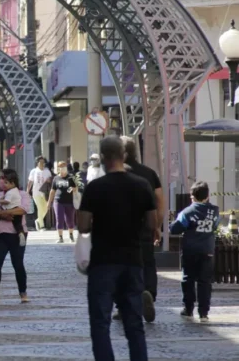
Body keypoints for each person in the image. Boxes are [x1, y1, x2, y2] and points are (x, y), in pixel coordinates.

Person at [77, 136, 156, 361]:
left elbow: (82, 226)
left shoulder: (95, 187)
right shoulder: (142, 185)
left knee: (100, 323)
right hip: (133, 260)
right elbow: (152, 224)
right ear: (124, 156)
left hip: (103, 262)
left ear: (102, 158)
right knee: (134, 324)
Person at [118, 136, 165, 323]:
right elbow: (160, 200)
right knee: (147, 262)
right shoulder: (149, 173)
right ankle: (149, 293)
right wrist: (158, 226)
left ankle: (124, 305)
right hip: (145, 226)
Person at [170, 181, 218, 322]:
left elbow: (175, 228)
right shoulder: (214, 211)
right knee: (205, 282)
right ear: (207, 195)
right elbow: (215, 226)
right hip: (207, 250)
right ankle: (204, 312)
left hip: (190, 250)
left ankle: (188, 309)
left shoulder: (187, 212)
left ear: (192, 196)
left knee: (188, 279)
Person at [0, 169, 30, 304]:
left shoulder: (22, 194)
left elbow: (23, 209)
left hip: (18, 234)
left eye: (4, 179)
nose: (1, 181)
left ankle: (23, 292)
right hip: (0, 234)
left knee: (18, 264)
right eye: (0, 178)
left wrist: (5, 212)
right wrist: (3, 214)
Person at [47, 161, 77, 243]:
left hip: (69, 202)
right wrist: (49, 202)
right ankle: (60, 237)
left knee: (69, 220)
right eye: (60, 167)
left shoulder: (70, 178)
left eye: (63, 166)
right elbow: (52, 191)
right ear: (58, 169)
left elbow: (75, 188)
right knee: (59, 219)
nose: (62, 168)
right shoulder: (56, 178)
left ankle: (71, 235)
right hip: (58, 201)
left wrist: (69, 190)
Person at [27, 156, 52, 231]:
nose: (42, 164)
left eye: (43, 162)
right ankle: (41, 226)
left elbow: (51, 180)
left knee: (46, 209)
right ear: (37, 163)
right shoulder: (34, 171)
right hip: (36, 192)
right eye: (40, 162)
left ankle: (37, 220)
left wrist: (49, 180)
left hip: (45, 193)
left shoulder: (47, 171)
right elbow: (30, 182)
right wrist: (27, 191)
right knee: (40, 208)